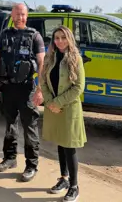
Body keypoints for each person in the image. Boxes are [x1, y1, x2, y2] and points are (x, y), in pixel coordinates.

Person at [0, 3, 45, 182]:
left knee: (30, 127)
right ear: (12, 16)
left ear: (26, 16)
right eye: (17, 14)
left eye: (23, 14)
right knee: (10, 125)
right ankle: (10, 158)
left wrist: (39, 89)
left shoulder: (35, 36)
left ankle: (31, 165)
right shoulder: (4, 35)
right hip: (7, 87)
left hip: (27, 88)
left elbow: (42, 64)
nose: (20, 17)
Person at [39, 25, 86, 202]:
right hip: (53, 108)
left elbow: (79, 87)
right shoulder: (50, 57)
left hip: (68, 108)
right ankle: (64, 179)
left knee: (69, 146)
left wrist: (57, 102)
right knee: (60, 143)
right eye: (56, 38)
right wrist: (50, 102)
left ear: (69, 39)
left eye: (63, 37)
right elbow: (42, 81)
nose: (59, 41)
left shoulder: (75, 59)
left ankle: (74, 186)